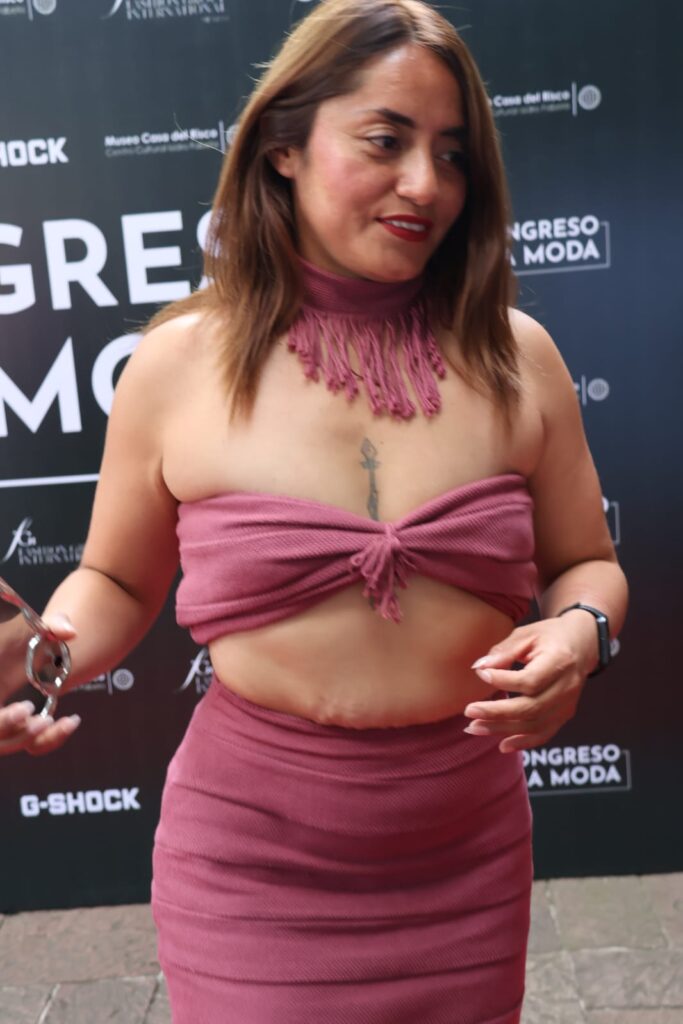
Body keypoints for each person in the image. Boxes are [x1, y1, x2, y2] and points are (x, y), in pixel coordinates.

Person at [1, 0, 628, 1020]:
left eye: (452, 154)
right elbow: (114, 578)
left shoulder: (519, 357)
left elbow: (586, 565)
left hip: (465, 855)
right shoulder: (178, 363)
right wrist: (43, 652)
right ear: (282, 146)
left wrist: (580, 632)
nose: (425, 184)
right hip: (249, 863)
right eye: (384, 140)